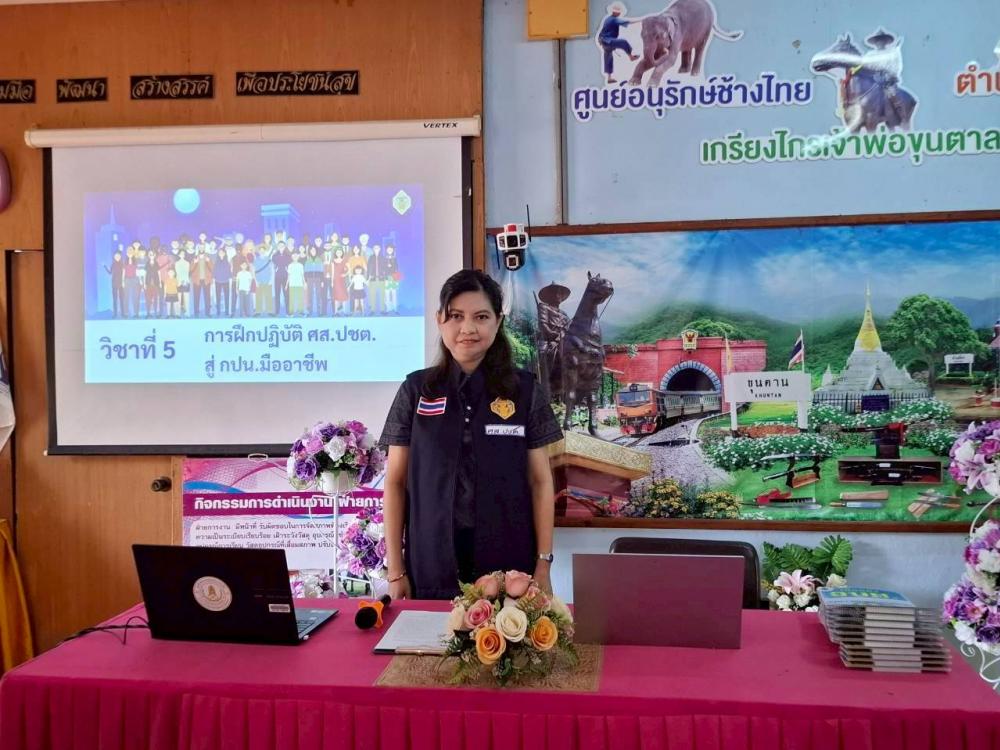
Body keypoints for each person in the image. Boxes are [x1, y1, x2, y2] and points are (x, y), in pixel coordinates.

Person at [380, 269, 562, 600]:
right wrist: (396, 570)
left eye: (481, 316)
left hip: (509, 568)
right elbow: (395, 482)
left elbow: (540, 482)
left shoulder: (525, 392)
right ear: (439, 320)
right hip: (430, 565)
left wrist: (543, 565)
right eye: (456, 316)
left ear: (497, 322)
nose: (468, 328)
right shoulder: (416, 390)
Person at [597, 1, 639, 85]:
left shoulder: (608, 19)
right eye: (619, 12)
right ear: (615, 12)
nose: (619, 14)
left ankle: (609, 78)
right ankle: (630, 56)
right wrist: (639, 21)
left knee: (608, 58)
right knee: (623, 42)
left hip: (604, 41)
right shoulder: (613, 19)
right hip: (608, 40)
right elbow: (626, 22)